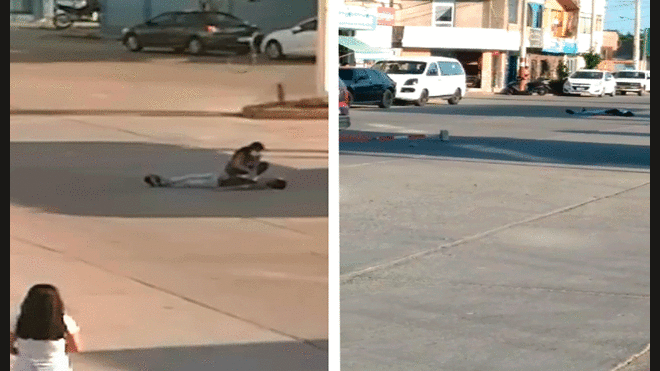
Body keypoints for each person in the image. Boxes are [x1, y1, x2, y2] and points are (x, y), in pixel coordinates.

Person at [10, 284, 82, 371]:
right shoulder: (65, 320)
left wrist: (21, 352)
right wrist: (58, 351)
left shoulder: (16, 319)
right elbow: (75, 347)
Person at [144, 141, 272, 188]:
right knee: (190, 179)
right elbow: (236, 165)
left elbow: (245, 172)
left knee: (190, 180)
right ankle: (165, 181)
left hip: (218, 180)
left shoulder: (251, 174)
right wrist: (251, 167)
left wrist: (254, 163)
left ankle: (164, 182)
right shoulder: (245, 160)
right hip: (219, 178)